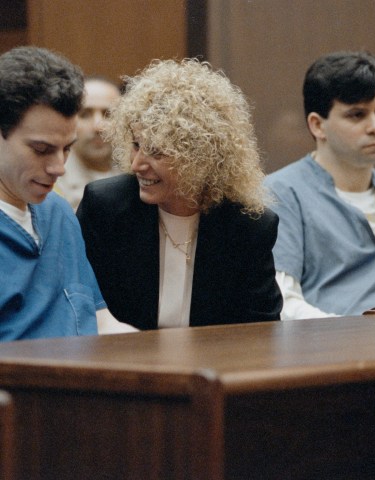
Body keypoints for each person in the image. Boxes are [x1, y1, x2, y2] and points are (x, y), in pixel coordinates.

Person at [77, 58, 282, 330]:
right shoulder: (106, 207)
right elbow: (78, 301)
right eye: (136, 145)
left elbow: (263, 330)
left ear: (199, 158)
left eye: (157, 151)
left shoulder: (248, 226)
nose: (137, 164)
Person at [0, 46, 131, 340]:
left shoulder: (57, 212)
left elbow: (100, 319)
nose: (59, 167)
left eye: (67, 148)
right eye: (42, 150)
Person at [265, 50, 375, 320]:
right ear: (317, 125)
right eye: (357, 115)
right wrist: (352, 337)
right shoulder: (281, 193)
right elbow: (284, 304)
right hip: (324, 351)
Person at [55, 76, 121, 210]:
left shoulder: (139, 175)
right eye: (84, 115)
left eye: (108, 114)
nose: (98, 126)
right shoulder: (52, 180)